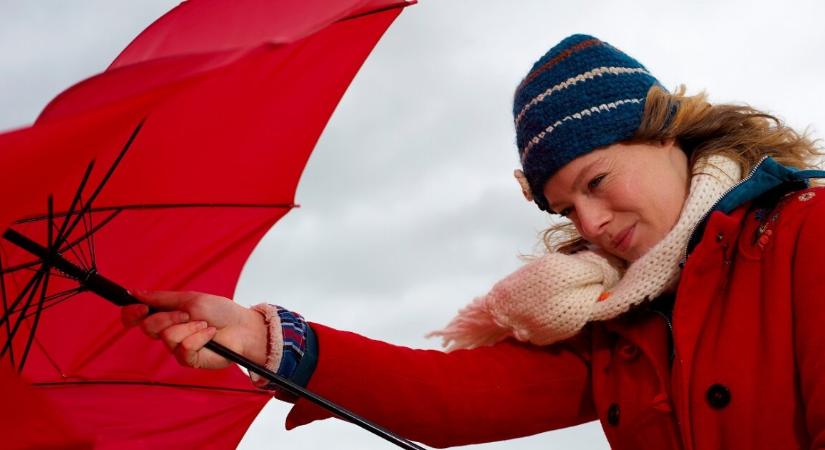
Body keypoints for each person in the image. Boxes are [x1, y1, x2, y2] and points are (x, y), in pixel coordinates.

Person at [122, 34, 825, 449]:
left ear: (663, 132)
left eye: (597, 179)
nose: (586, 223)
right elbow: (455, 395)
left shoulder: (802, 229)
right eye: (561, 205)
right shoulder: (611, 316)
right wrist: (260, 337)